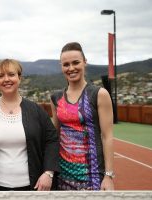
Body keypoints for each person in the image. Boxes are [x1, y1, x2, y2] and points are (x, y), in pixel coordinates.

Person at [0, 59, 59, 191]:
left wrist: (48, 173)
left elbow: (52, 140)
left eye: (11, 74)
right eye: (1, 76)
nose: (6, 79)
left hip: (32, 186)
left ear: (19, 78)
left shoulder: (36, 111)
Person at [50, 42, 115, 190]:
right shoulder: (56, 98)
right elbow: (55, 136)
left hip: (92, 176)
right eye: (66, 64)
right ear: (61, 67)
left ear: (85, 62)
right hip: (62, 175)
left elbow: (107, 136)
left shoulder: (99, 94)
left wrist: (109, 175)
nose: (71, 68)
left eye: (76, 62)